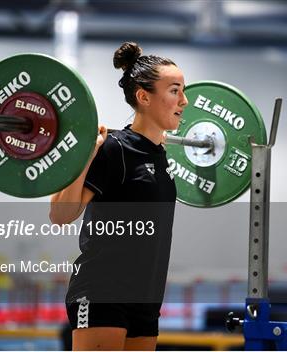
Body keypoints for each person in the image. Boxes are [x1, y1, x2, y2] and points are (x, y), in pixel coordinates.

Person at [50, 41, 188, 351]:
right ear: (143, 96)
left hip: (147, 296)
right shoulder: (114, 149)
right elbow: (60, 215)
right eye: (175, 91)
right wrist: (87, 154)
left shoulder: (161, 156)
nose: (185, 100)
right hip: (102, 291)